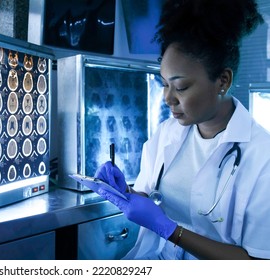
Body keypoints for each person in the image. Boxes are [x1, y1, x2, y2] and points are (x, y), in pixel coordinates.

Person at [95, 0, 270, 260]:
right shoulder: (168, 134)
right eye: (164, 84)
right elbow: (149, 198)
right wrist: (125, 192)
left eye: (181, 87)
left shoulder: (262, 158)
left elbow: (257, 264)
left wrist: (170, 230)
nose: (168, 98)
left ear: (223, 81)